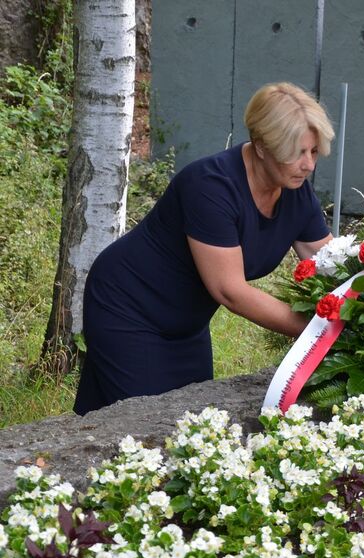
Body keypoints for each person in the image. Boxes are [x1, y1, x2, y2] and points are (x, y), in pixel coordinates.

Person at [74, 82, 334, 415]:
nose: (309, 164)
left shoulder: (295, 190)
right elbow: (230, 291)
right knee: (147, 425)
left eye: (313, 151)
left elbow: (329, 262)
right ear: (261, 146)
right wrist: (319, 330)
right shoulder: (210, 186)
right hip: (129, 306)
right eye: (297, 152)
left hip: (187, 323)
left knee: (192, 423)